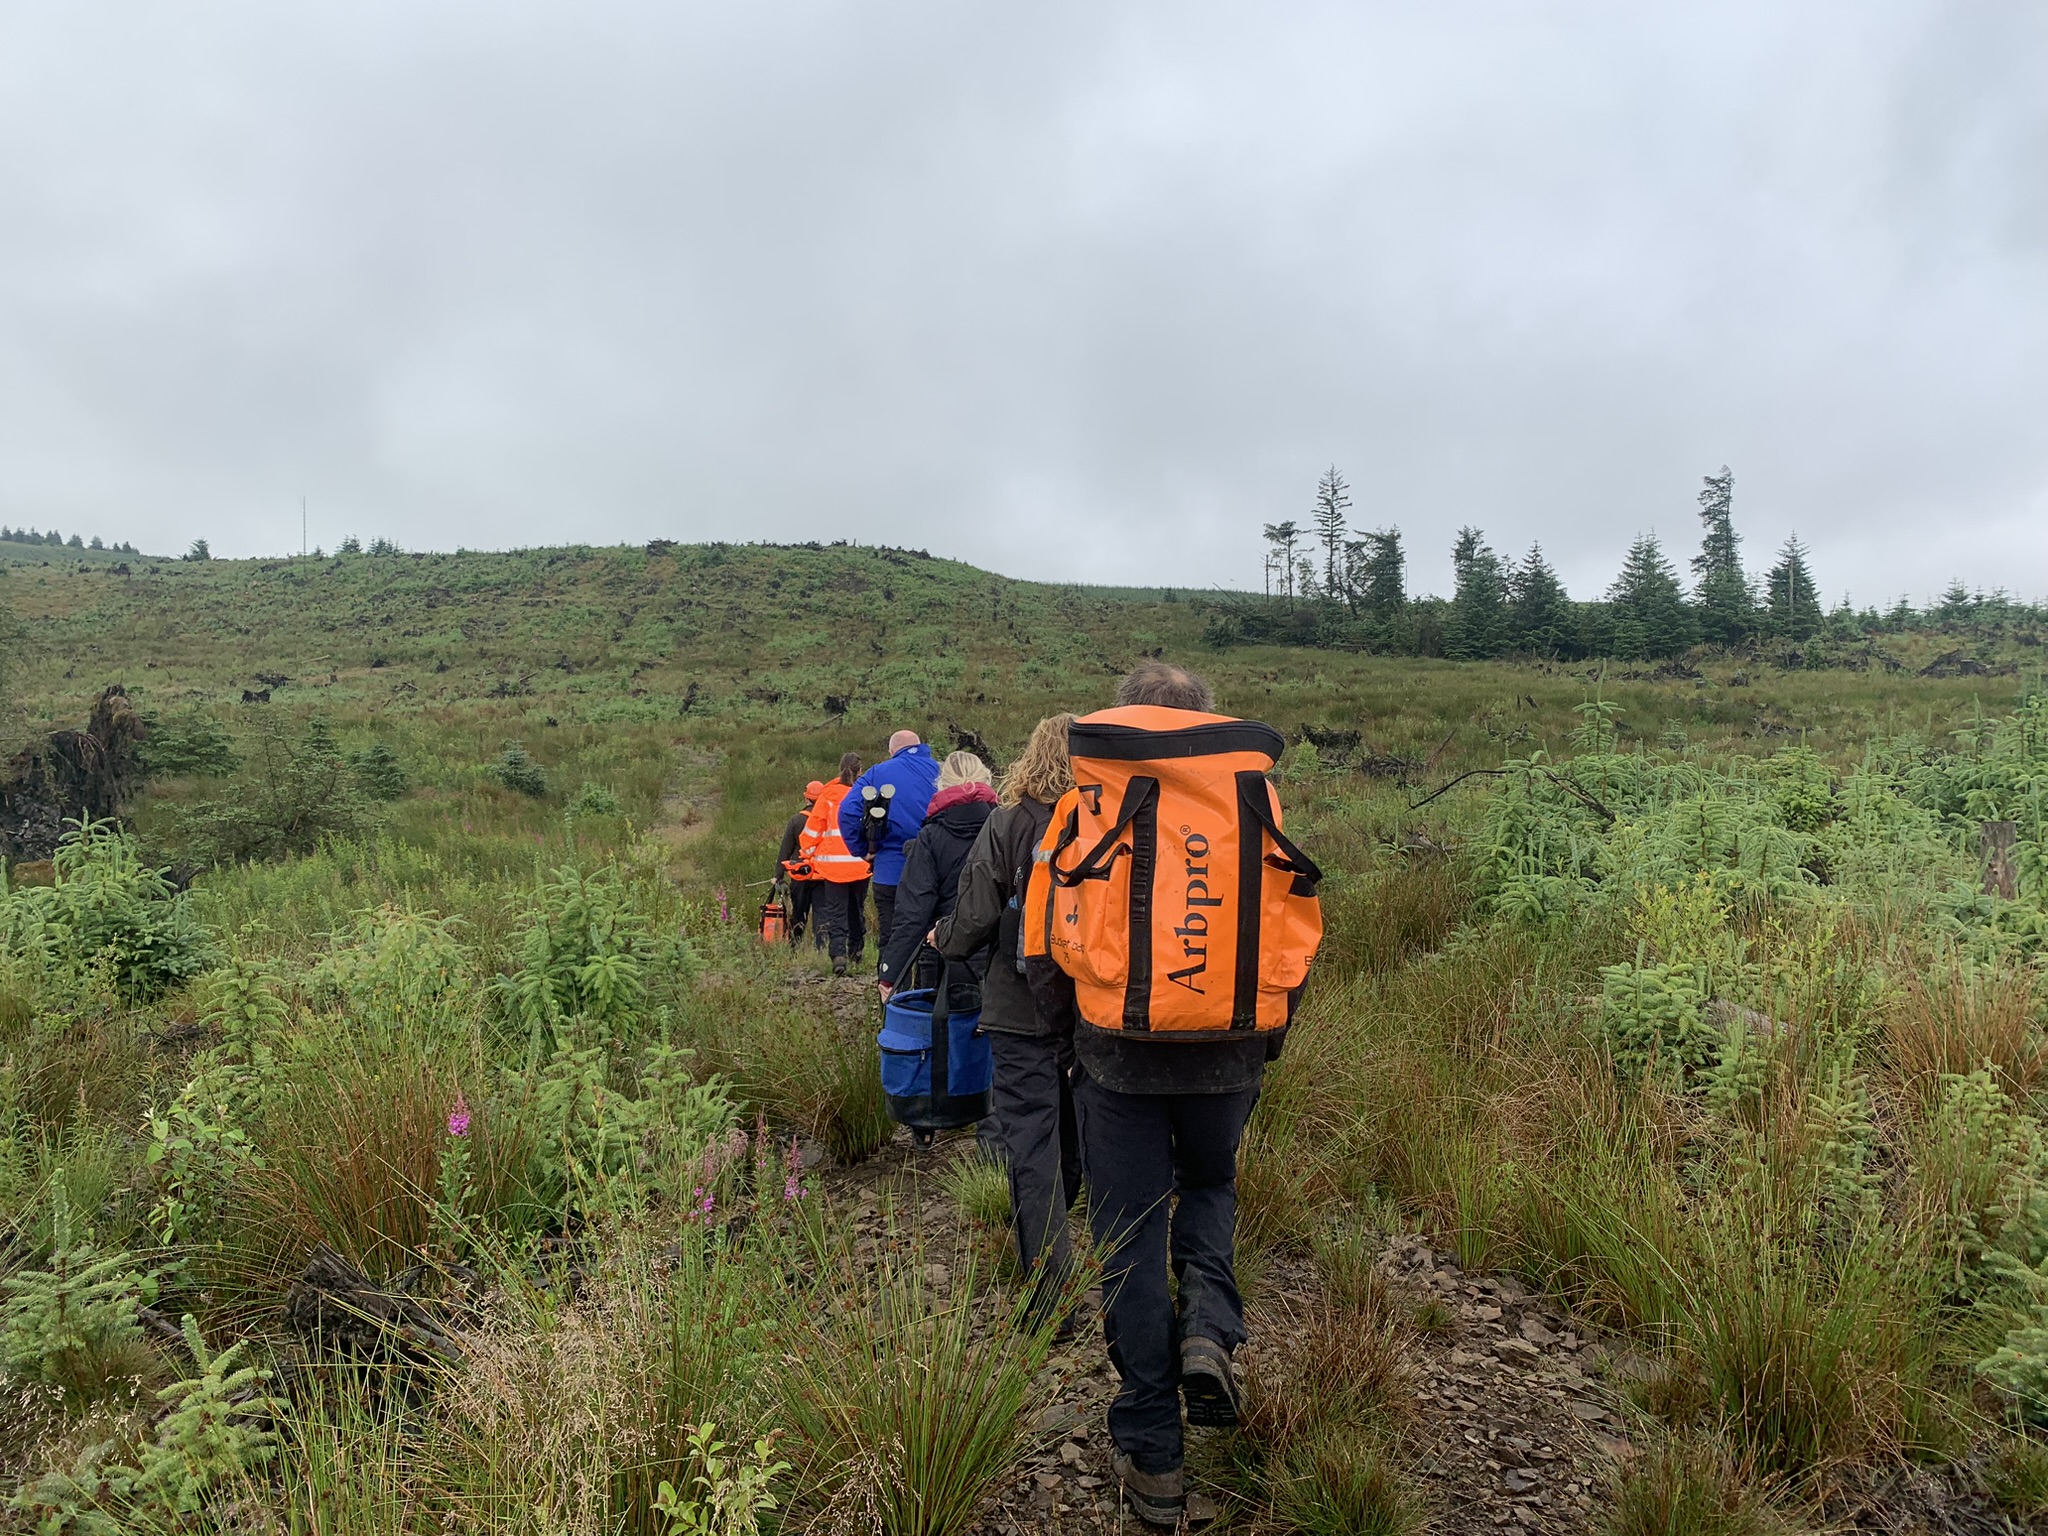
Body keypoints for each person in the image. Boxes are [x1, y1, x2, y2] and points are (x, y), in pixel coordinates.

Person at [1066, 661, 1304, 1529]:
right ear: (1205, 718)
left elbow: (1053, 937)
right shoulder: (1252, 793)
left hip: (1117, 1059)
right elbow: (1289, 924)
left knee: (1127, 1235)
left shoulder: (1091, 797)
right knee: (1208, 1186)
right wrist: (1263, 1042)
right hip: (1230, 1050)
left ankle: (1155, 1458)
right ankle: (1208, 1326)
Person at [934, 714, 1081, 1331]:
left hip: (1022, 1010)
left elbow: (973, 915)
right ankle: (1071, 1253)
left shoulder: (1010, 821)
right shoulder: (1109, 818)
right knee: (1077, 1133)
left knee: (1033, 1143)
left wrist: (948, 942)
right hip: (1097, 1012)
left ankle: (1049, 1296)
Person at [877, 750, 998, 1001]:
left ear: (942, 785)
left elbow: (913, 911)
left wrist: (891, 972)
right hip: (1002, 960)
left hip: (946, 956)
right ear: (985, 780)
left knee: (946, 1034)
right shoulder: (1005, 827)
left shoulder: (931, 836)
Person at [838, 729, 939, 957]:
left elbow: (847, 811)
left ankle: (891, 990)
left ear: (892, 751)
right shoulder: (942, 771)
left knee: (892, 939)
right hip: (935, 873)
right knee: (932, 940)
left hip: (890, 871)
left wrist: (862, 850)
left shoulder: (877, 773)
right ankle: (928, 990)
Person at [799, 753, 871, 975]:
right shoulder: (865, 794)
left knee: (836, 911)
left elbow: (812, 829)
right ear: (860, 772)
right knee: (856, 909)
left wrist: (807, 854)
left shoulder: (828, 795)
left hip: (832, 866)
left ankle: (838, 955)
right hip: (860, 864)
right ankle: (856, 949)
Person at [777, 781, 826, 948]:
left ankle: (794, 948)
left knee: (798, 914)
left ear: (806, 799)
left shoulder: (796, 821)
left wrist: (778, 876)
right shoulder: (828, 820)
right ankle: (822, 950)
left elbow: (785, 850)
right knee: (822, 915)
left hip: (799, 875)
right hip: (821, 875)